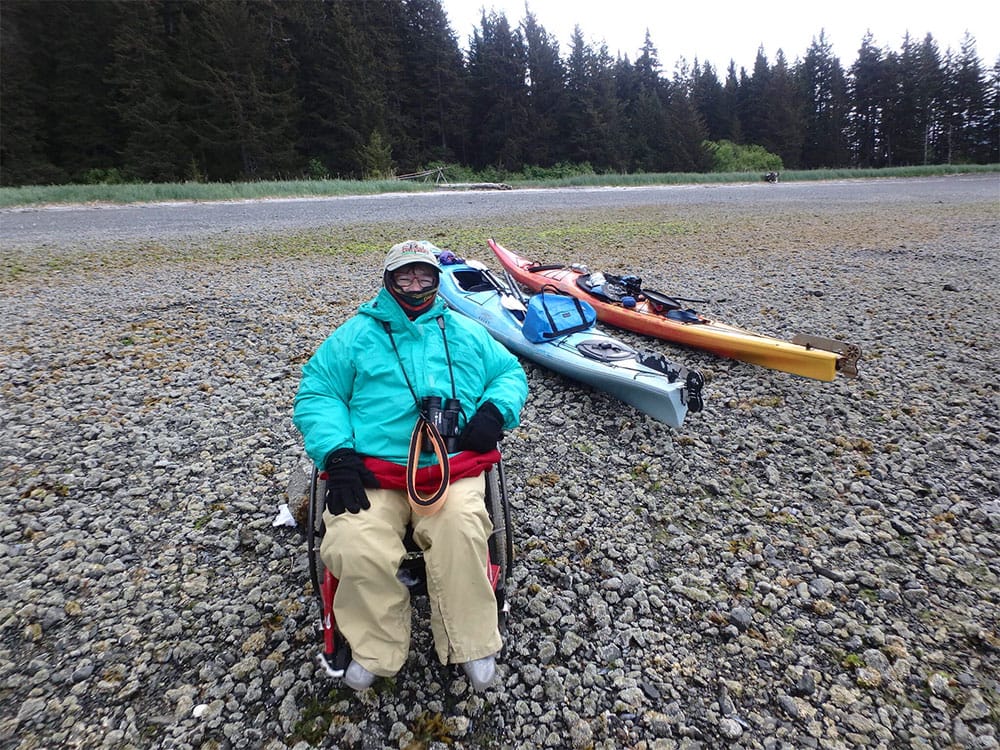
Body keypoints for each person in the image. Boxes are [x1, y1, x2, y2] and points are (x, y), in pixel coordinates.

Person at [293, 240, 528, 692]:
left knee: (461, 527)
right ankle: (375, 647)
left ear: (437, 280)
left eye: (424, 275)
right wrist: (336, 454)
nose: (415, 284)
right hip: (374, 469)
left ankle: (472, 640)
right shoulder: (354, 336)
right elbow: (317, 393)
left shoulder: (466, 330)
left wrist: (495, 412)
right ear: (388, 279)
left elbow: (510, 374)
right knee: (352, 539)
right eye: (406, 275)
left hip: (451, 466)